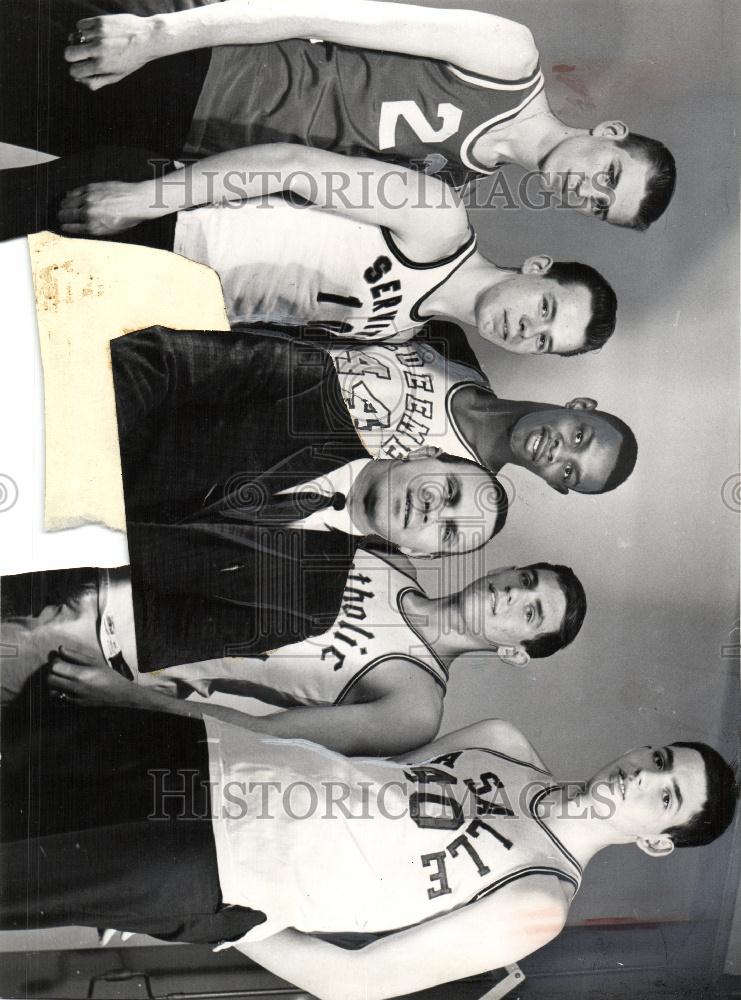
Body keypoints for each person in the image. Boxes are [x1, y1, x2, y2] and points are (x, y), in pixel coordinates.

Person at [2, 695, 735, 997]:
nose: (642, 776)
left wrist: (235, 923)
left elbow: (356, 983)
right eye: (660, 759)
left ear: (655, 842)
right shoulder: (503, 744)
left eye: (663, 798)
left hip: (214, 865)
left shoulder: (538, 900)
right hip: (210, 759)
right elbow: (354, 769)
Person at [6, 0, 676, 227]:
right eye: (608, 177)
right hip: (189, 65)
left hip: (174, 141)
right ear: (607, 133)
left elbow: (288, 177)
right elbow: (316, 12)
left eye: (596, 207)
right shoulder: (505, 57)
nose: (585, 191)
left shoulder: (449, 193)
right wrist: (153, 39)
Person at [112, 326, 507, 671]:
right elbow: (155, 360)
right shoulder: (310, 382)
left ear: (418, 554)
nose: (433, 510)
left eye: (448, 532)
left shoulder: (308, 608)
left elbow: (154, 636)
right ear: (423, 454)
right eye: (450, 491)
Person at [20, 141, 616, 351]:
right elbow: (291, 165)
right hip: (156, 216)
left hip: (137, 295)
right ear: (537, 269)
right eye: (545, 309)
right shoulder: (439, 220)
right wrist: (141, 201)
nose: (525, 330)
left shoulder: (402, 333)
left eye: (543, 342)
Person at [10, 555, 586, 754]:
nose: (512, 594)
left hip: (100, 650)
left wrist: (123, 697)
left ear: (514, 652)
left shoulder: (414, 706)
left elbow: (258, 734)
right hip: (99, 567)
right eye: (526, 578)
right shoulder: (395, 561)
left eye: (529, 613)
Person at [331, 334, 638, 492]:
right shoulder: (452, 346)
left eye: (569, 472)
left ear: (556, 484)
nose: (558, 453)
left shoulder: (449, 491)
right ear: (580, 406)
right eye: (579, 436)